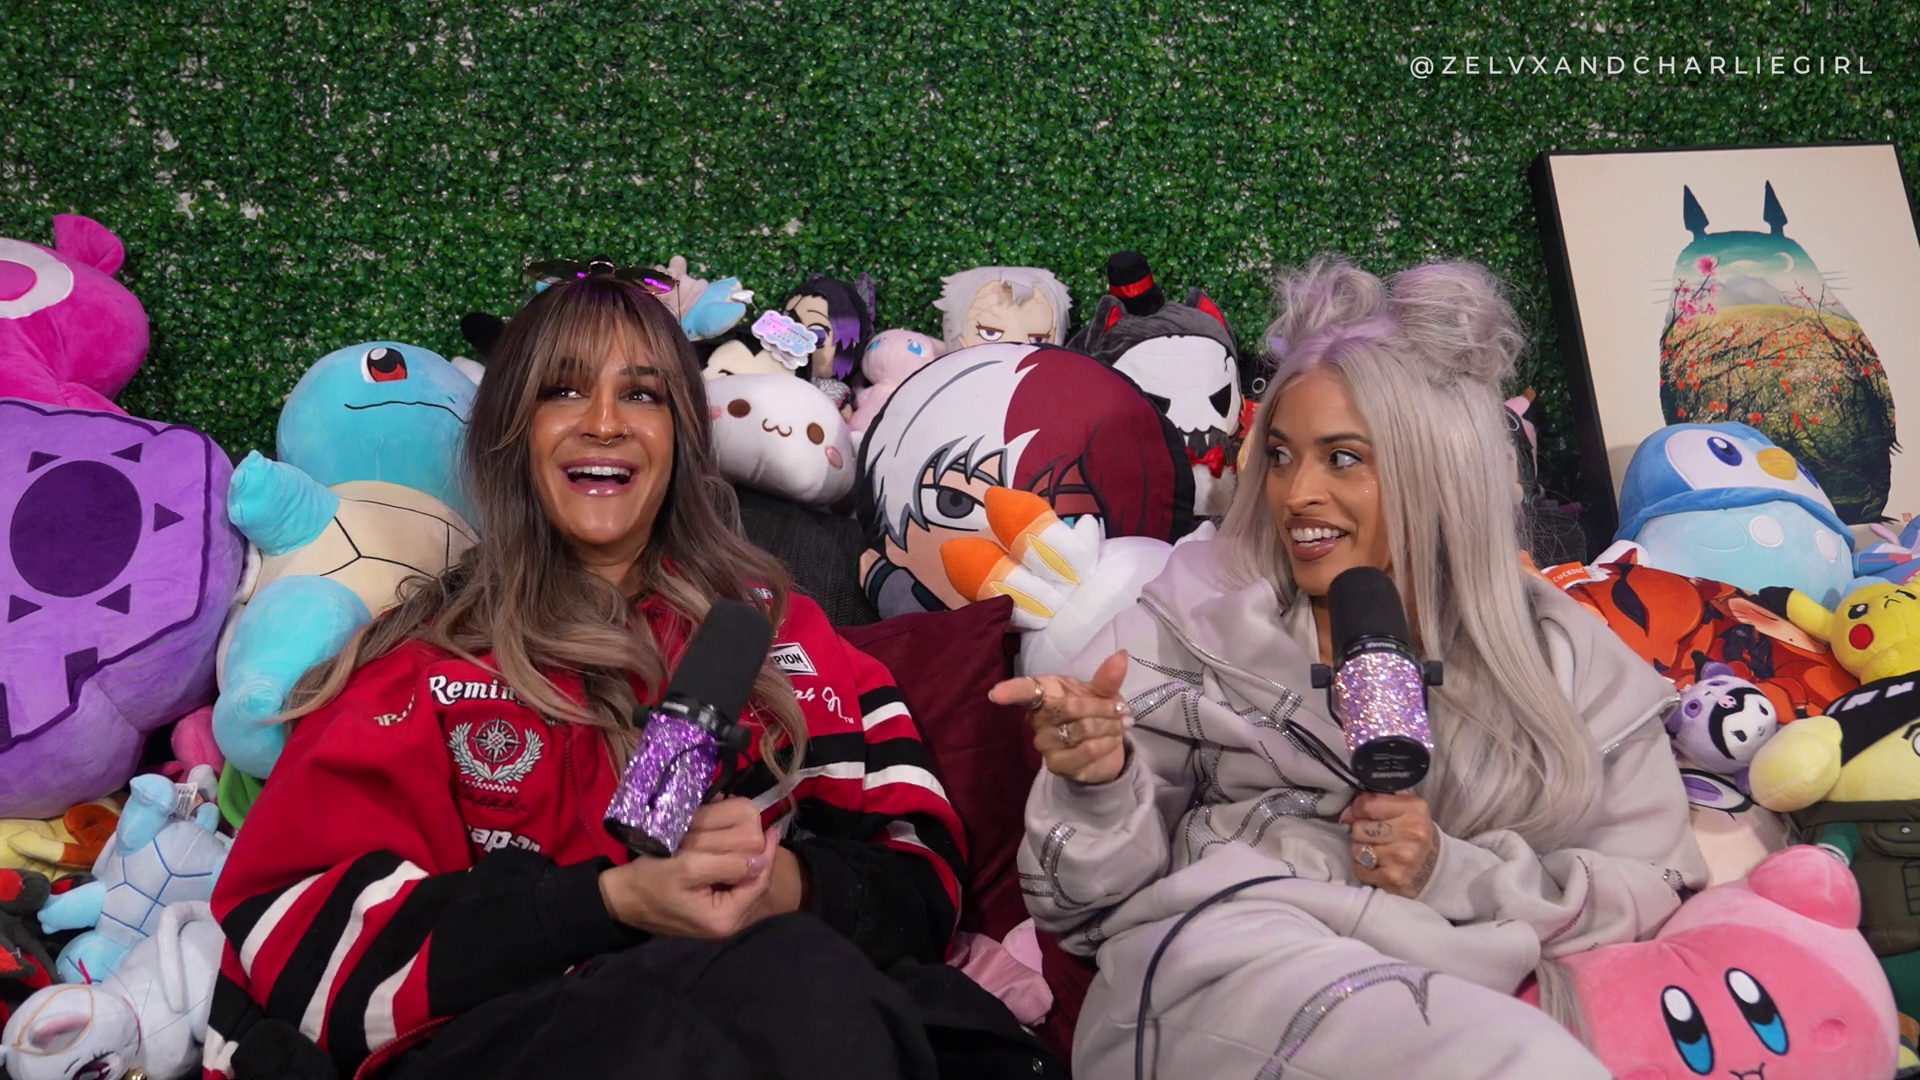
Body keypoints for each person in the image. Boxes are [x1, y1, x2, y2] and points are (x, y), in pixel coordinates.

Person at [203, 274, 1036, 1080]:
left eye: (641, 394)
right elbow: (289, 942)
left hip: (804, 1014)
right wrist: (609, 903)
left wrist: (780, 884)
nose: (604, 423)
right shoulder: (420, 667)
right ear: (510, 431)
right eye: (563, 392)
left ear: (682, 434)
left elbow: (922, 881)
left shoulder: (785, 635)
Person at [996, 257, 1708, 1078]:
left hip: (1474, 983)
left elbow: (1654, 883)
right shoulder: (1185, 622)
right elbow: (1082, 908)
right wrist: (1096, 784)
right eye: (1281, 456)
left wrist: (1450, 872)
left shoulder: (1563, 657)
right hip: (1221, 965)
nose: (1296, 493)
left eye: (1341, 458)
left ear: (1438, 470)